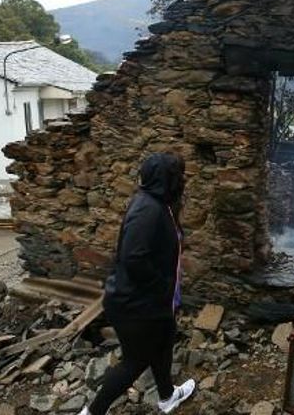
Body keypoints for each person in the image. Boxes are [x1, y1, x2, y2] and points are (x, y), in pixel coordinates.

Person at [80, 152, 195, 415]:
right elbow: (134, 259)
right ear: (165, 180)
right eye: (178, 176)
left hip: (153, 302)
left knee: (164, 342)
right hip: (136, 305)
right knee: (134, 362)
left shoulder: (159, 202)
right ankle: (92, 412)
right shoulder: (148, 210)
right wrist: (161, 285)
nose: (183, 181)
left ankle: (167, 397)